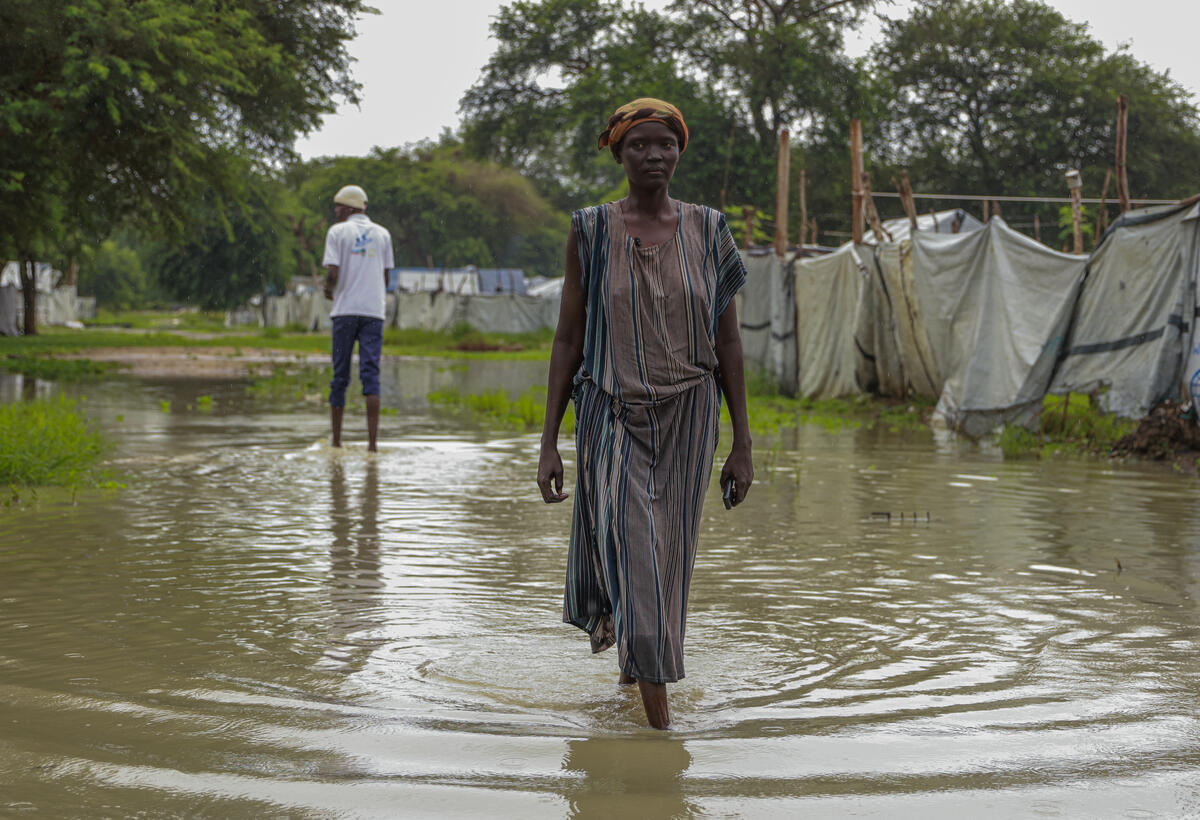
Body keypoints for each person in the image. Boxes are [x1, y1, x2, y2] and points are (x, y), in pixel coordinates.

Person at [537, 98, 754, 729]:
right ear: (618, 152)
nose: (654, 155)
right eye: (639, 145)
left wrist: (743, 440)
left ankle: (633, 679)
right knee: (638, 552)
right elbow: (567, 337)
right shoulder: (590, 229)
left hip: (690, 418)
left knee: (667, 556)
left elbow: (730, 341)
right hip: (609, 412)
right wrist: (549, 441)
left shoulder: (710, 230)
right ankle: (663, 734)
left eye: (665, 144)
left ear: (680, 151)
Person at [322, 184, 394, 452]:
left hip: (344, 313)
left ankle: (337, 442)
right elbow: (385, 277)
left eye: (338, 206)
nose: (336, 211)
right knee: (370, 375)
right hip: (373, 314)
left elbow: (332, 273)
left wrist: (330, 291)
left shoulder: (337, 232)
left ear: (349, 207)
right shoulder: (383, 234)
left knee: (340, 375)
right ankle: (373, 446)